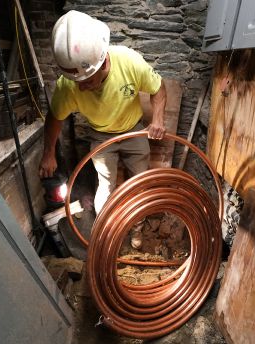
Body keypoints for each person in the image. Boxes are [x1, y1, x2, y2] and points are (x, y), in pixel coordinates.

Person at [38, 10, 167, 248]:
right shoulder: (69, 86)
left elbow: (158, 89)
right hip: (100, 135)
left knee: (139, 182)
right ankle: (107, 233)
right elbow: (55, 118)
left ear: (104, 61)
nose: (82, 88)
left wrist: (157, 119)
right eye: (78, 82)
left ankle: (136, 229)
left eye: (87, 81)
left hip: (132, 130)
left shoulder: (129, 62)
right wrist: (48, 154)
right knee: (106, 185)